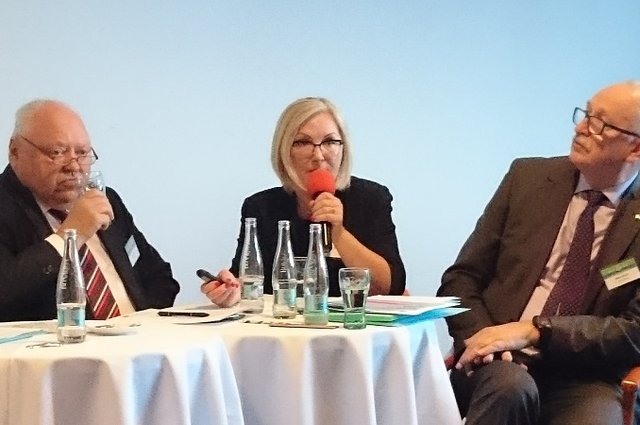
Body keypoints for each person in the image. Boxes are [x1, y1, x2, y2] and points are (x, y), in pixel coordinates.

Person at [437, 81, 640, 425]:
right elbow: (461, 279)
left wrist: (536, 331)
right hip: (499, 363)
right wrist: (486, 340)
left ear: (635, 149)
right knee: (508, 389)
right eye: (586, 114)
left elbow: (634, 330)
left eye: (600, 124)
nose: (580, 128)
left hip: (586, 376)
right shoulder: (527, 179)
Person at [202, 97, 405, 307]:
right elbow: (245, 281)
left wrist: (338, 232)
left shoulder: (371, 198)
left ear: (343, 149)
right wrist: (228, 291)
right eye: (303, 142)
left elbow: (391, 288)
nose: (318, 155)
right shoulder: (260, 207)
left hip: (353, 323)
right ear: (284, 151)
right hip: (282, 323)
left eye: (330, 142)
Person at [0, 99, 179, 322]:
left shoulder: (105, 200)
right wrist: (70, 236)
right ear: (15, 151)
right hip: (62, 342)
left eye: (82, 153)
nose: (74, 166)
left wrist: (142, 326)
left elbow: (159, 277)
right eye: (57, 152)